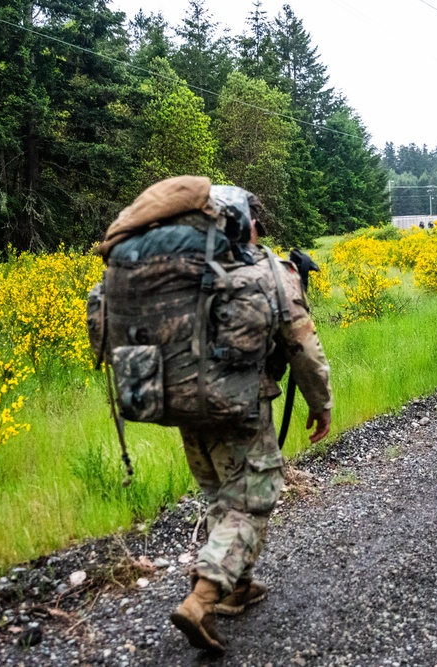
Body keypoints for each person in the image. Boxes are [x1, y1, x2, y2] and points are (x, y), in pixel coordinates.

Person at [169, 191, 333, 652]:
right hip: (240, 407)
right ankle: (202, 598)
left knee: (223, 493)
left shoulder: (175, 270)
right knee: (252, 500)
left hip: (183, 404)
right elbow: (302, 348)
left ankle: (237, 589)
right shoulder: (267, 270)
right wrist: (320, 403)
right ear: (248, 223)